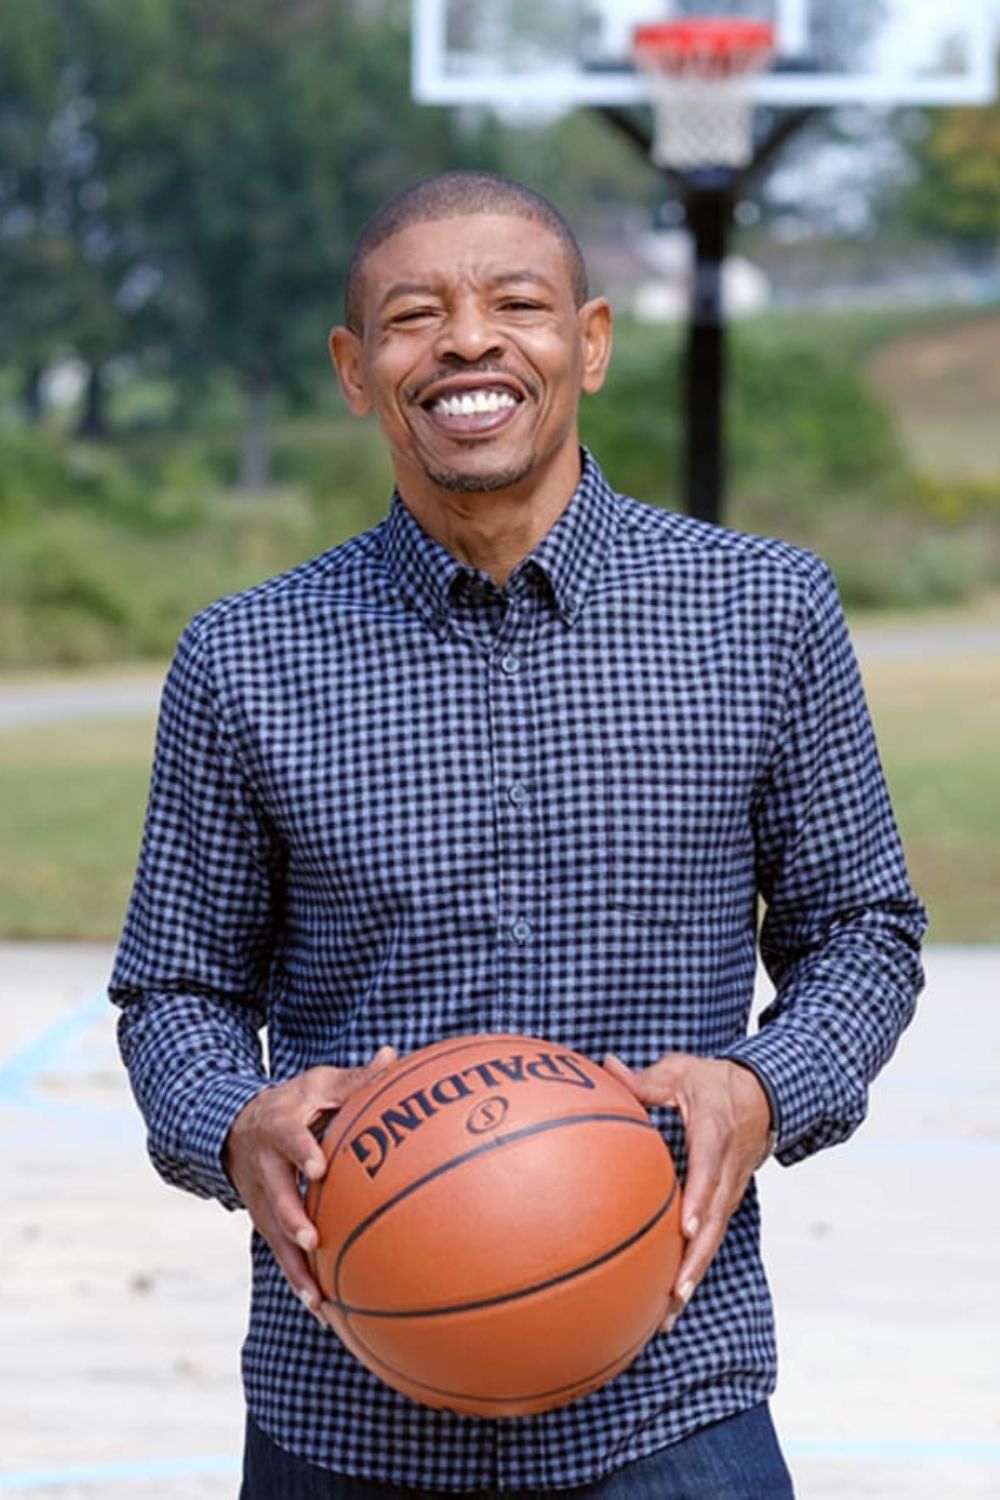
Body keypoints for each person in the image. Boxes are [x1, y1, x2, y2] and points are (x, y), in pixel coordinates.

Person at [111, 171, 926, 1499]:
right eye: (415, 314)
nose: (470, 341)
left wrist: (769, 1086)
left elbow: (863, 934)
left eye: (518, 304)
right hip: (350, 1398)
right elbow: (177, 986)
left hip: (670, 1388)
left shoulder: (763, 611)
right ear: (356, 370)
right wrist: (229, 1123)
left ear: (590, 343)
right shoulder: (244, 658)